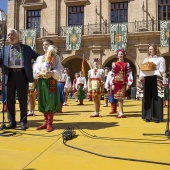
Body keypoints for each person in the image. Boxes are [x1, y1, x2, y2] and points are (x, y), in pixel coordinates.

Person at [0, 28, 39, 130]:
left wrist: (45, 62)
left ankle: (23, 121)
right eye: (8, 35)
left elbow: (38, 57)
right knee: (9, 100)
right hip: (9, 75)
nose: (10, 36)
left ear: (18, 36)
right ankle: (12, 121)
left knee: (22, 100)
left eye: (12, 34)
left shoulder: (26, 48)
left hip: (22, 75)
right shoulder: (4, 49)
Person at [33, 39, 62, 132]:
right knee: (42, 100)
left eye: (47, 44)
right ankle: (45, 121)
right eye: (43, 44)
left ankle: (50, 123)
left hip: (51, 81)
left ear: (51, 46)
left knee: (50, 100)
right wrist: (38, 73)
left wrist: (52, 73)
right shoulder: (39, 58)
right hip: (41, 81)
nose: (44, 46)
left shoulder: (56, 57)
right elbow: (35, 69)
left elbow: (59, 70)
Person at [137, 44, 166, 123]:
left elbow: (162, 70)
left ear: (156, 50)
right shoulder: (146, 59)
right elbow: (142, 69)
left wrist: (154, 70)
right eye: (149, 49)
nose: (150, 51)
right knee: (147, 97)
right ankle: (147, 116)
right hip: (146, 78)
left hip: (156, 78)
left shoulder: (161, 59)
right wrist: (140, 78)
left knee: (156, 97)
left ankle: (157, 117)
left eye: (152, 49)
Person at [106, 49, 133, 118]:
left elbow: (129, 74)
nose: (120, 55)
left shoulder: (126, 64)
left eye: (121, 54)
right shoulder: (114, 64)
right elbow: (112, 74)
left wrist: (129, 84)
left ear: (123, 55)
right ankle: (120, 112)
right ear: (117, 55)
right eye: (119, 54)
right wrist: (112, 83)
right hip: (116, 82)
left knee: (121, 98)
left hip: (123, 82)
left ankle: (121, 112)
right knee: (118, 97)